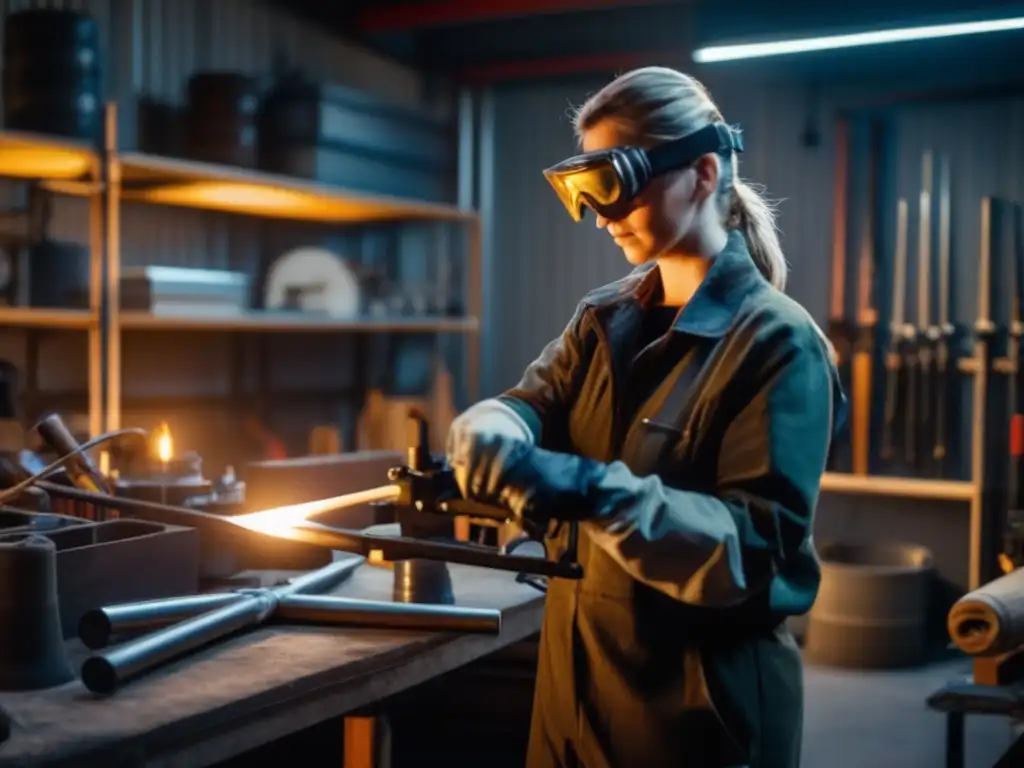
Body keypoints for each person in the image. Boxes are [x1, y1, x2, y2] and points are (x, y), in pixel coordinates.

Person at [446, 66, 844, 768]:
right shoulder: (604, 319)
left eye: (617, 182)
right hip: (574, 698)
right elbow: (530, 405)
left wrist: (583, 490)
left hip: (693, 718)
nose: (601, 213)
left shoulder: (779, 343)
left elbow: (750, 553)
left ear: (701, 171)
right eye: (584, 189)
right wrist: (489, 427)